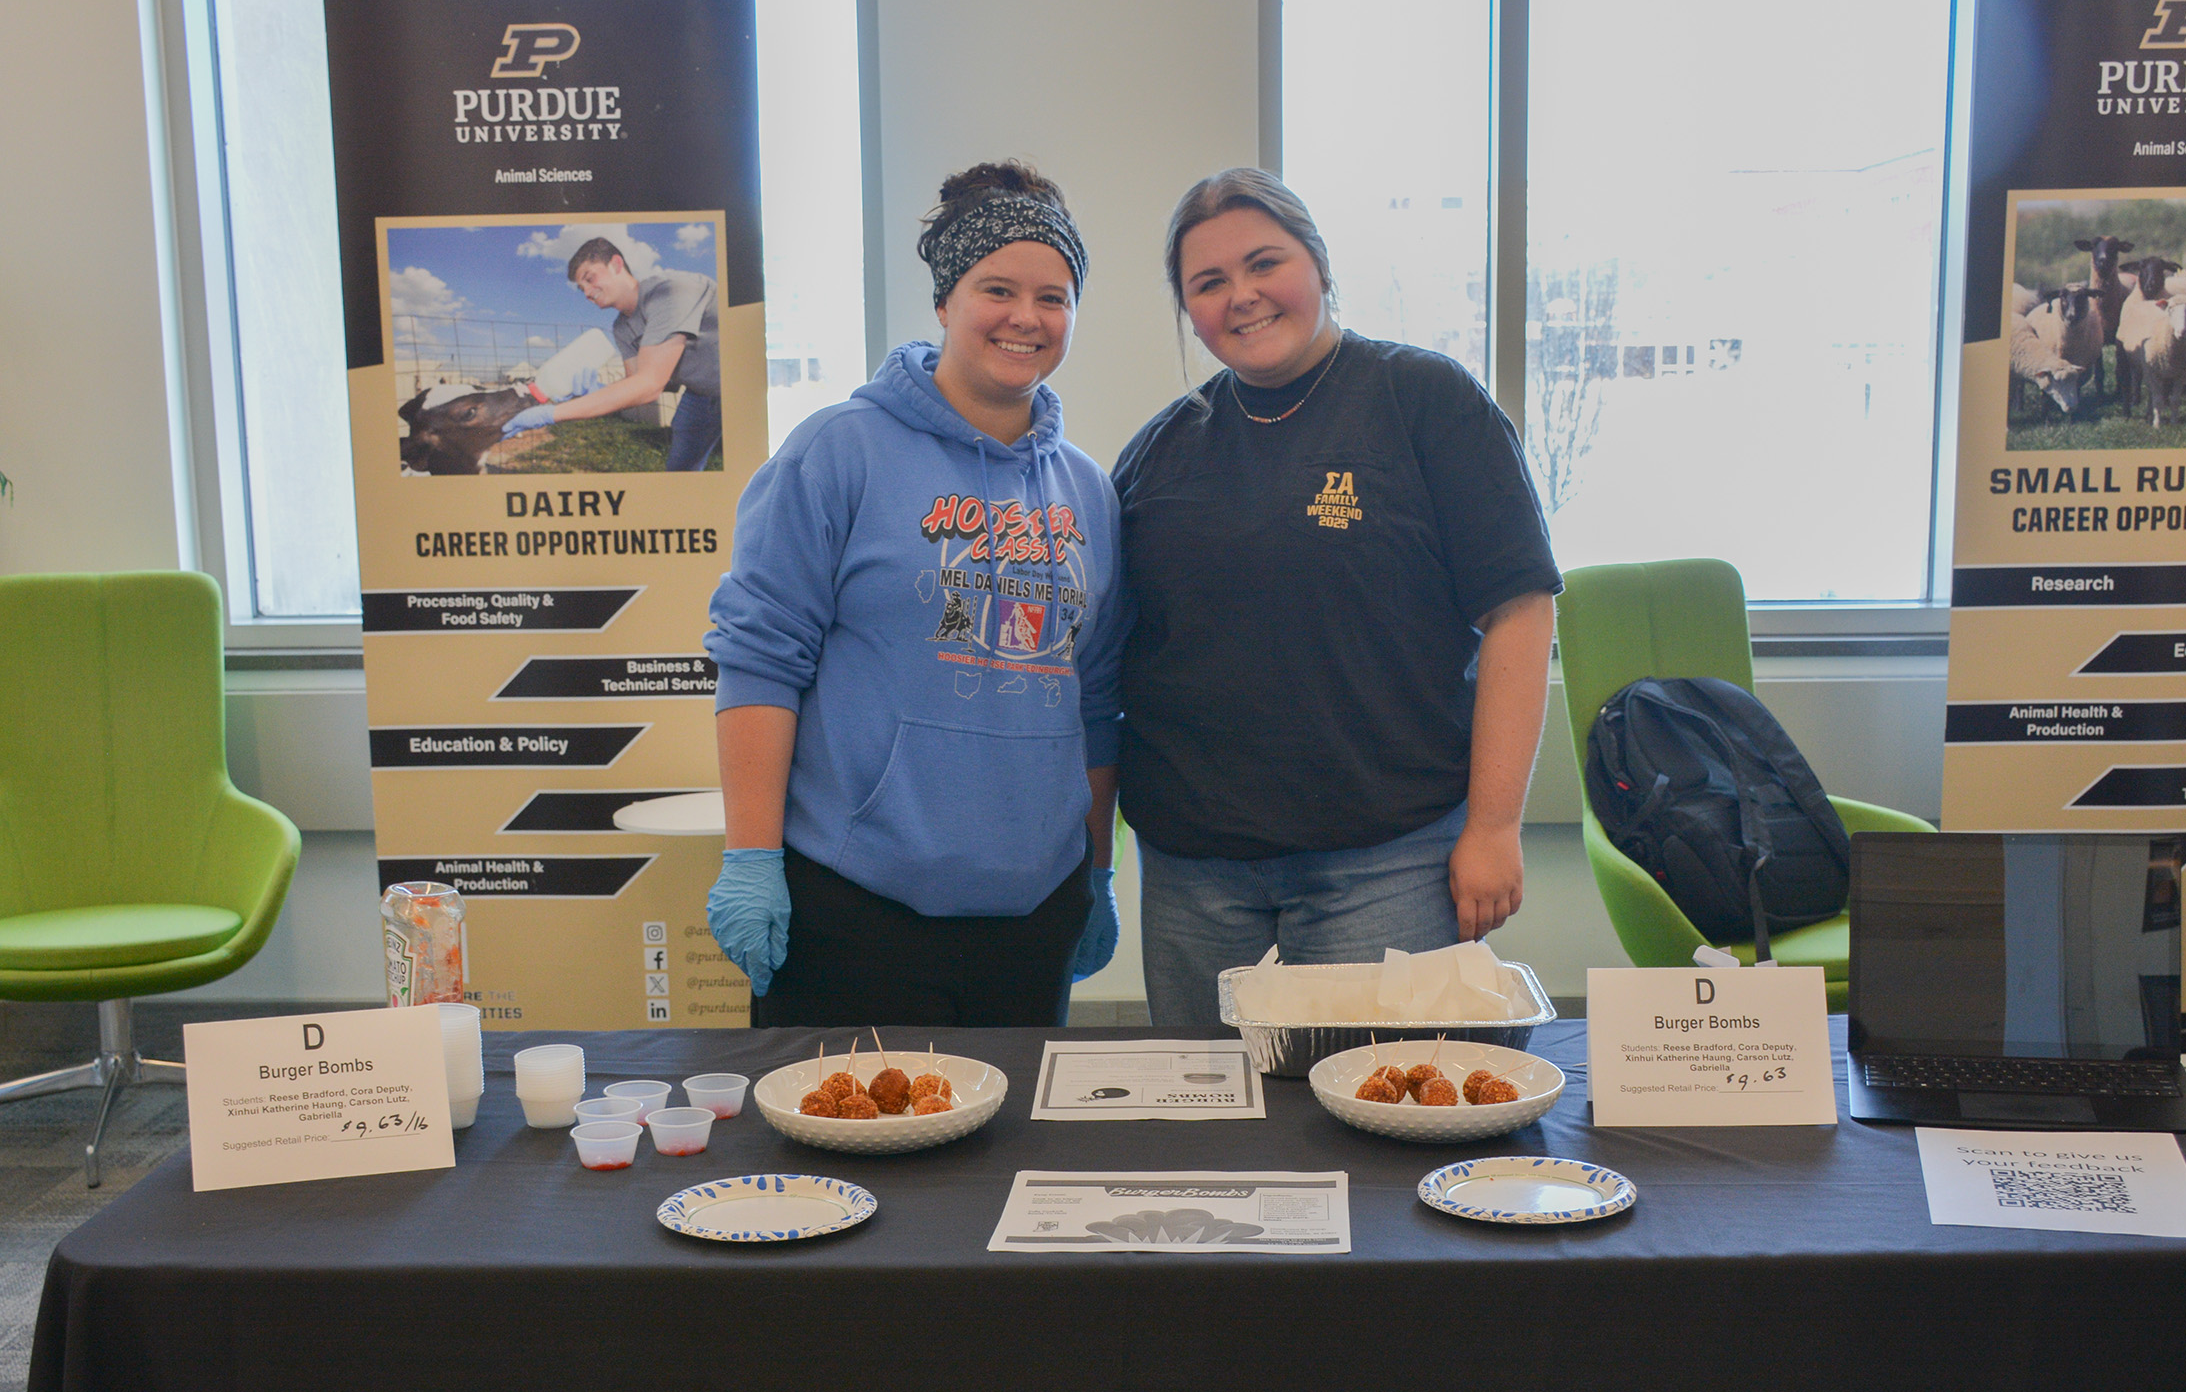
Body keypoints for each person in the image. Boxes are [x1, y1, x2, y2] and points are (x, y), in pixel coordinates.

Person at [1113, 168, 1563, 1026]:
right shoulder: (1157, 454)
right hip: (1194, 871)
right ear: (1188, 309)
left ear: (1317, 264)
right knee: (1208, 1123)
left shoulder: (1425, 402)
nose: (1240, 296)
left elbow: (1519, 611)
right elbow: (1109, 663)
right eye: (1208, 283)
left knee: (1380, 1114)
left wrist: (1497, 827)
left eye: (1263, 263)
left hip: (1388, 857)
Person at [703, 162, 1124, 1027]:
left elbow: (1102, 694)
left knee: (1010, 1163)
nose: (1026, 317)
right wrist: (750, 857)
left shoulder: (1087, 490)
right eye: (996, 288)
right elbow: (759, 661)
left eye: (1054, 296)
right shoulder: (838, 451)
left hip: (1032, 915)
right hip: (855, 908)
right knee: (852, 1156)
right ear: (945, 302)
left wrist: (1096, 869)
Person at [505, 236, 724, 471]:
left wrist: (551, 414)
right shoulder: (621, 327)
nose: (587, 292)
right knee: (681, 472)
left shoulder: (670, 291)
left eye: (590, 279)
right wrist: (599, 390)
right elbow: (635, 384)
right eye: (582, 289)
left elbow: (649, 385)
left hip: (739, 385)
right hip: (700, 395)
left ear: (616, 264)